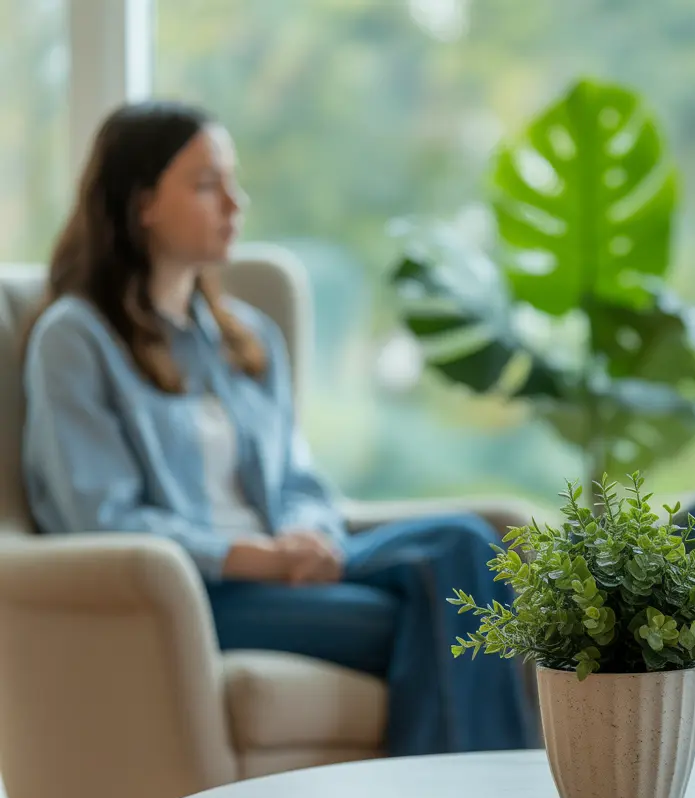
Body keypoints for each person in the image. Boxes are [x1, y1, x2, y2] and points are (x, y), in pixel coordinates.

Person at [20, 101, 536, 757]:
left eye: (232, 181)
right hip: (197, 593)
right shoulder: (76, 338)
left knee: (466, 542)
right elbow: (98, 514)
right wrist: (252, 558)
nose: (236, 203)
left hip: (285, 566)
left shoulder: (247, 338)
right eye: (207, 185)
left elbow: (297, 477)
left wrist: (308, 533)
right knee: (449, 622)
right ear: (142, 203)